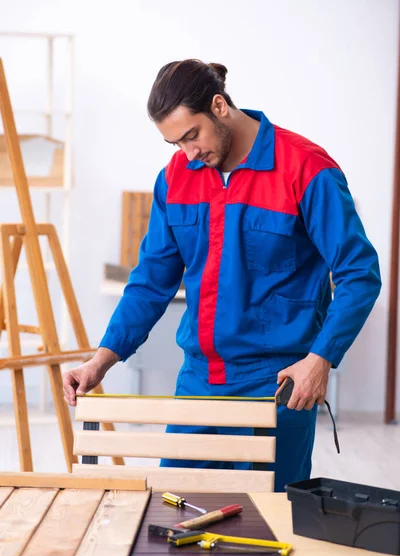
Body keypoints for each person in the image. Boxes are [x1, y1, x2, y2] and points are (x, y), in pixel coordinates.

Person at [63, 59, 381, 491]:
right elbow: (151, 281)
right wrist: (103, 357)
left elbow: (359, 272)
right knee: (174, 515)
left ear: (219, 106)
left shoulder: (305, 169)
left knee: (267, 531)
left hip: (277, 386)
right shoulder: (176, 178)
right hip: (199, 381)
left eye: (192, 135)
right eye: (175, 143)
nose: (189, 153)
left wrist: (320, 359)